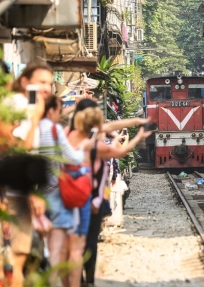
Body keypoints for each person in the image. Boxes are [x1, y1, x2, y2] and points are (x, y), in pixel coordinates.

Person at [62, 102, 152, 287]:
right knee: (90, 240)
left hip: (68, 195)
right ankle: (89, 279)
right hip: (91, 196)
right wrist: (139, 133)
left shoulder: (68, 135)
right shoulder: (94, 145)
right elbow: (121, 150)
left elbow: (108, 127)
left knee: (74, 241)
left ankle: (74, 280)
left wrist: (135, 120)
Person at [5, 62, 53, 287]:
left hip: (14, 191)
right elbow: (19, 150)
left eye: (50, 84)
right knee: (17, 257)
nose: (47, 88)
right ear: (24, 81)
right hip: (14, 193)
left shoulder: (24, 105)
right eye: (41, 82)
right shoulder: (22, 106)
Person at [37, 95, 93, 284]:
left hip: (37, 193)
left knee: (42, 247)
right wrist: (84, 147)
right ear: (52, 110)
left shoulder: (33, 129)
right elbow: (73, 158)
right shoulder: (54, 129)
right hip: (55, 193)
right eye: (60, 110)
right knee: (57, 248)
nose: (59, 114)